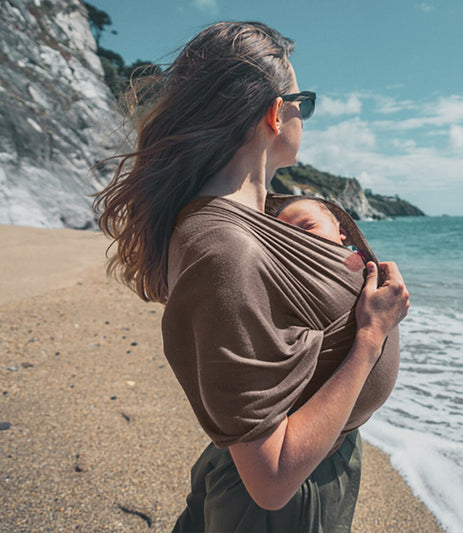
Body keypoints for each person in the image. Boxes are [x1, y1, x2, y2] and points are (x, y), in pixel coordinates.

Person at [93, 21, 409, 533]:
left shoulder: (245, 222)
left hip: (301, 475)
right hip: (282, 505)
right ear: (274, 113)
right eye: (301, 102)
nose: (304, 117)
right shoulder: (225, 248)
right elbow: (271, 478)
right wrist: (370, 339)